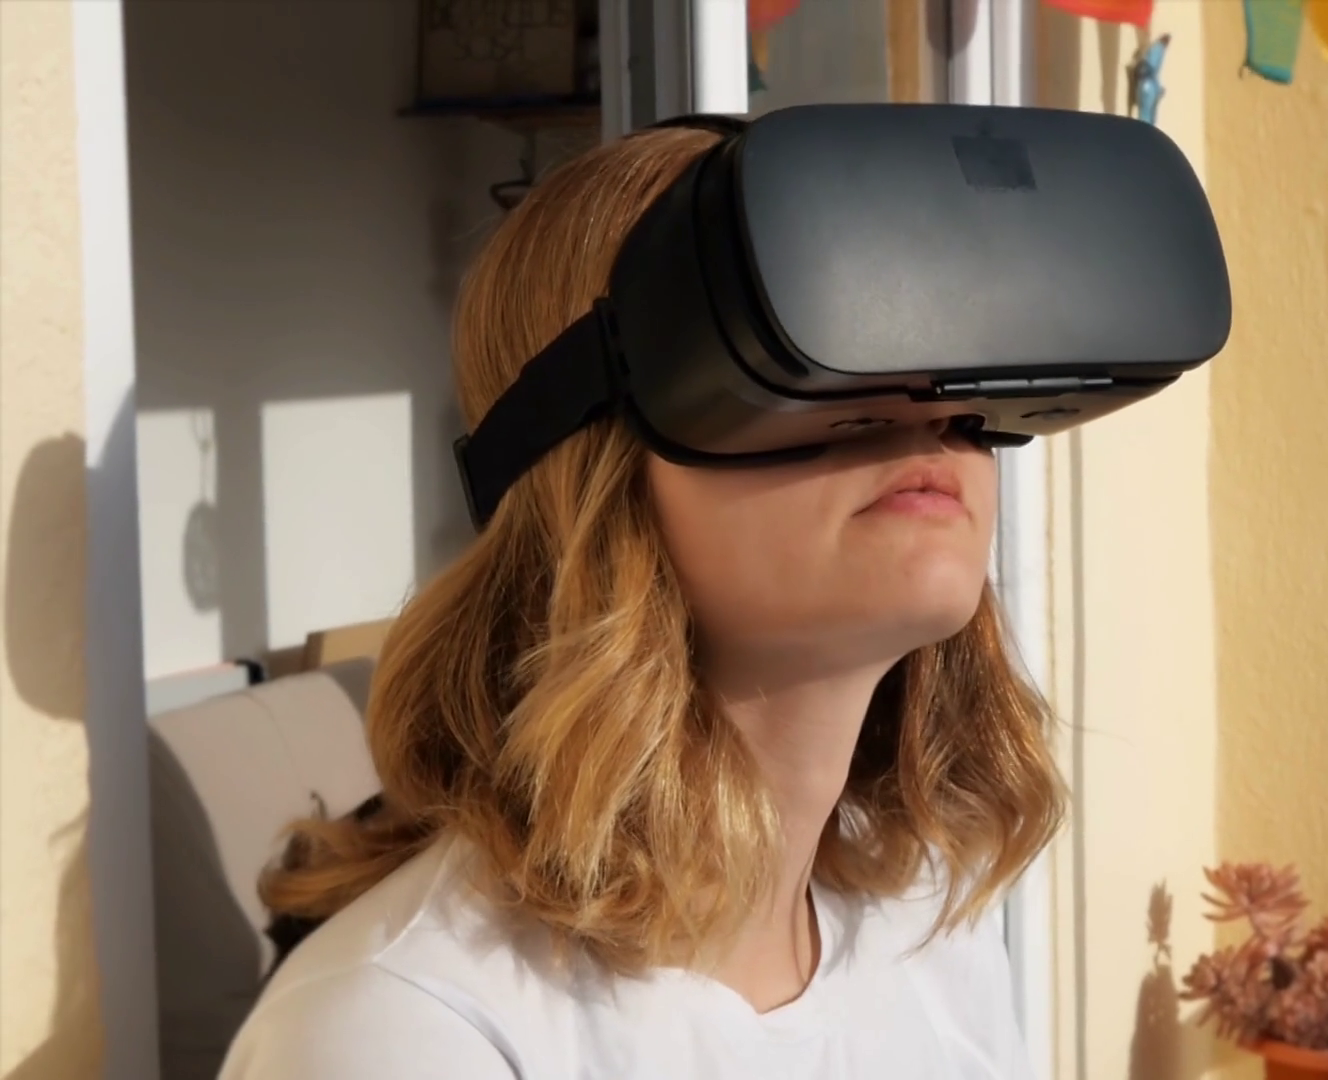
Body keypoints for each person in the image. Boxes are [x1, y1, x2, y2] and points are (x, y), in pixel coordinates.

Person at [219, 124, 1066, 1080]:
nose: (922, 402)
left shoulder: (923, 918)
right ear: (583, 443)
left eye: (938, 338)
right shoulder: (402, 1031)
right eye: (793, 337)